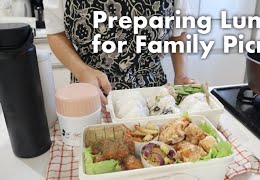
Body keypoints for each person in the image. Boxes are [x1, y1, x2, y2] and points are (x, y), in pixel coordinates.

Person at [44, 0, 196, 114]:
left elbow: (179, 32)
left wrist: (181, 75)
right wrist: (82, 71)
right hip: (93, 94)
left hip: (154, 96)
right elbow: (56, 33)